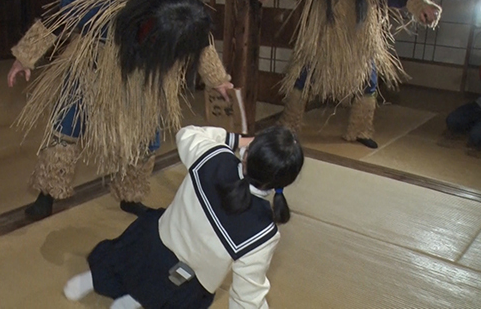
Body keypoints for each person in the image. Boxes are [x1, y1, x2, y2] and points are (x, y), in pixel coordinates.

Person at [8, 0, 233, 220]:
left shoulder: (187, 15)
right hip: (93, 66)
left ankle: (130, 195)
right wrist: (25, 57)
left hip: (147, 77)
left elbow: (202, 43)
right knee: (66, 126)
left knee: (147, 138)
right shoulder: (103, 1)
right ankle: (46, 194)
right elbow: (57, 17)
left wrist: (218, 81)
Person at [63, 124, 304, 309]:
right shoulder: (264, 233)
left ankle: (101, 283)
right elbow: (247, 298)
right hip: (186, 287)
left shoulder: (213, 156)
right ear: (283, 182)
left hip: (153, 245)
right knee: (168, 293)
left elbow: (186, 133)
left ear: (249, 151)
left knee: (129, 253)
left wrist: (236, 139)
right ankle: (133, 300)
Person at [255, 0, 442, 149]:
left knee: (367, 84)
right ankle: (288, 126)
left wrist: (422, 6)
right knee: (301, 79)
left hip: (358, 48)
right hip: (321, 44)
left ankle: (360, 130)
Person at [442, 66, 481, 157]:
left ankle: (474, 132)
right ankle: (472, 129)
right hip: (478, 106)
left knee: (477, 137)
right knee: (452, 120)